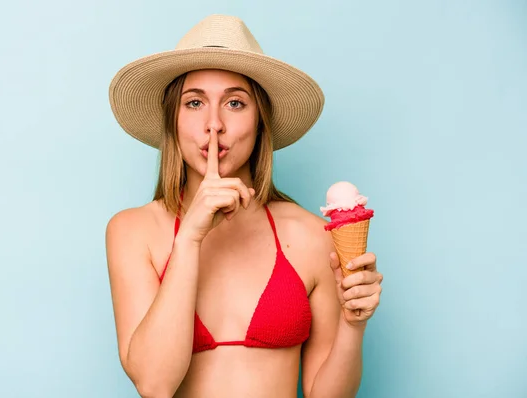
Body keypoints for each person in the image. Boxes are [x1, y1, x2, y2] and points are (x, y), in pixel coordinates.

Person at [105, 14, 383, 398]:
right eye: (194, 102)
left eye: (235, 103)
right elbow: (154, 384)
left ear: (260, 121)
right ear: (173, 119)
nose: (214, 124)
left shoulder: (310, 235)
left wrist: (354, 325)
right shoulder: (133, 231)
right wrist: (189, 238)